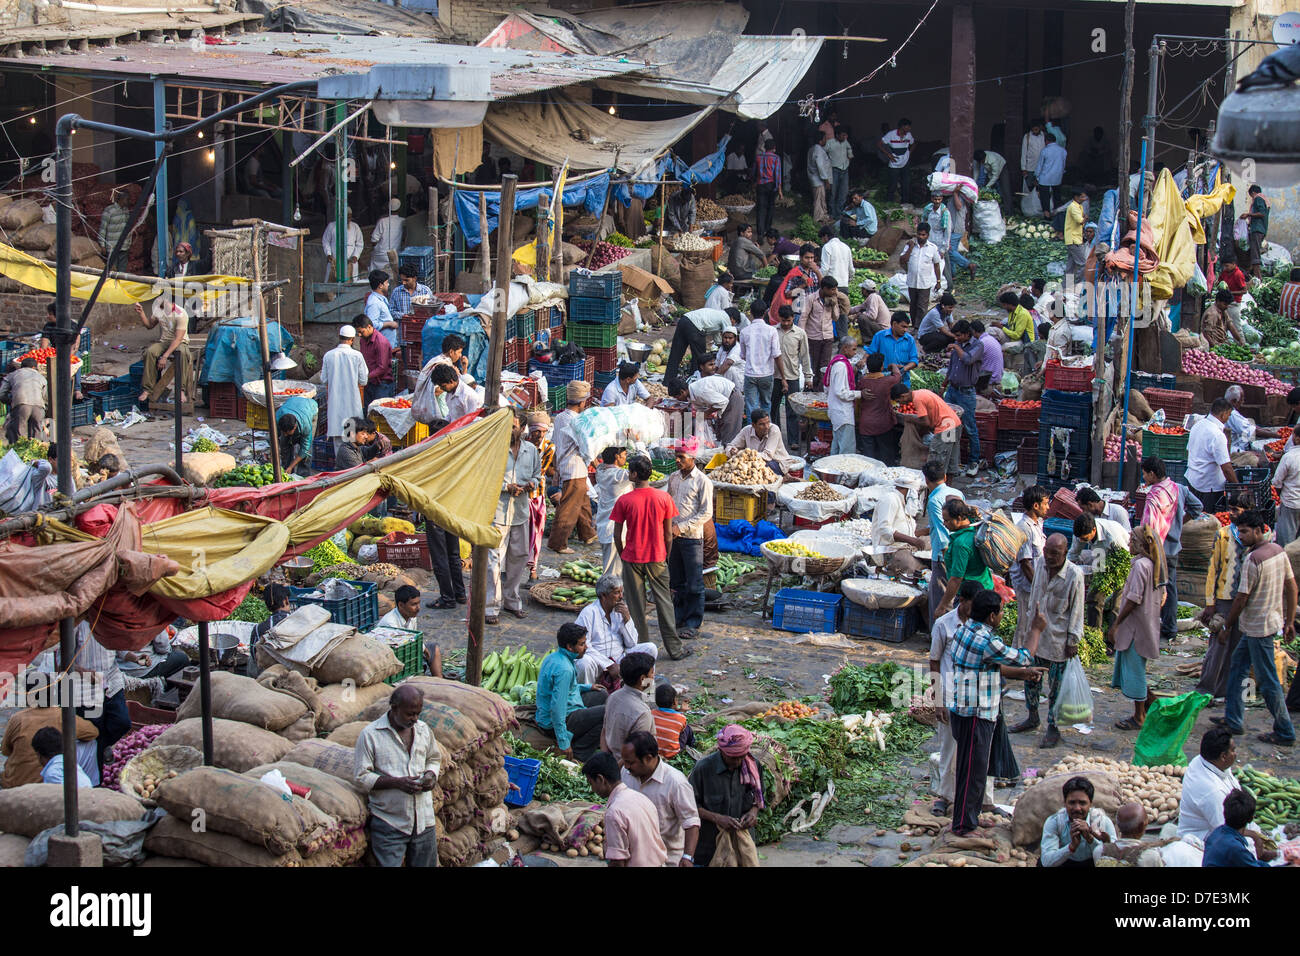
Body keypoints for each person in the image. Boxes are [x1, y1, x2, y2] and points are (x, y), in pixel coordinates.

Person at [948, 590, 1040, 835]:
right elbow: (1023, 657)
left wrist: (1021, 674)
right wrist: (1036, 630)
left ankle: (970, 817)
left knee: (973, 769)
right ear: (991, 616)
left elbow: (989, 666)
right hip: (976, 715)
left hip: (962, 710)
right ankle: (964, 826)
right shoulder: (987, 640)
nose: (1001, 616)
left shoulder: (964, 630)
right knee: (973, 773)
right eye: (1000, 612)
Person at [1214, 509, 1297, 747]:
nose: (1241, 536)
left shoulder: (1253, 559)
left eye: (1245, 531)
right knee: (1238, 668)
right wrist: (1289, 620)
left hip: (1257, 627)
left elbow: (1241, 598)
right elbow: (1291, 587)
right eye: (1238, 531)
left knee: (1268, 679)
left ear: (1260, 531)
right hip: (1265, 624)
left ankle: (1284, 730)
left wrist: (1227, 626)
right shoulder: (1279, 552)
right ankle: (1234, 719)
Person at [354, 684, 440, 867]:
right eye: (410, 714)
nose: (415, 719)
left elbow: (434, 758)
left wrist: (431, 775)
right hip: (390, 822)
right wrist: (396, 783)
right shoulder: (371, 735)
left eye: (418, 713)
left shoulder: (423, 730)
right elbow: (361, 777)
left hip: (424, 820)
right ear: (394, 708)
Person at [612, 454, 688, 662]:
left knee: (636, 607)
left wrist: (622, 553)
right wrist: (666, 553)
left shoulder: (624, 500)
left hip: (632, 557)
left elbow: (617, 535)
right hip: (657, 556)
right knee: (665, 604)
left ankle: (641, 650)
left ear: (635, 475)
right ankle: (675, 649)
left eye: (630, 471)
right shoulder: (663, 498)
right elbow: (668, 534)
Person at [1016, 534, 1085, 747]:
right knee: (1031, 680)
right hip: (1036, 637)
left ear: (1065, 552)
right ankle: (1032, 716)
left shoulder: (1075, 574)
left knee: (1056, 689)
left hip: (1058, 640)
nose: (1050, 557)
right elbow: (1035, 595)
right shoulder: (1040, 565)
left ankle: (1053, 727)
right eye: (1047, 552)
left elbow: (1077, 610)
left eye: (1055, 554)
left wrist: (1073, 639)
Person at [928, 580, 987, 814]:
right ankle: (945, 796)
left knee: (981, 750)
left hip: (975, 695)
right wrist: (938, 700)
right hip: (950, 694)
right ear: (961, 601)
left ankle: (983, 797)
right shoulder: (944, 625)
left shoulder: (981, 625)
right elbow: (934, 661)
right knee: (948, 748)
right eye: (972, 605)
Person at [1141, 455, 1204, 642]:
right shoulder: (1179, 489)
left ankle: (1150, 626)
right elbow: (1198, 507)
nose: (1144, 478)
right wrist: (1179, 523)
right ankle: (1170, 628)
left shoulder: (1154, 495)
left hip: (1156, 549)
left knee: (1153, 588)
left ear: (1152, 474)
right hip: (1173, 549)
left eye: (1145, 474)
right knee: (1170, 588)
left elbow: (1148, 527)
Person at [1109, 525, 1166, 730]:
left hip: (1135, 626)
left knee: (1135, 670)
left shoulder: (1141, 566)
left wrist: (1117, 623)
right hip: (1145, 623)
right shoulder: (1151, 565)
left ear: (1141, 545)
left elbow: (1133, 598)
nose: (1128, 544)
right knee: (1136, 667)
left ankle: (1139, 716)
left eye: (1132, 541)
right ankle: (1152, 703)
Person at [486, 409, 538, 625]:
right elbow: (485, 477)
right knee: (493, 561)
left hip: (520, 512)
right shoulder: (494, 450)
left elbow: (537, 474)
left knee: (518, 558)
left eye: (514, 426)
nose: (510, 430)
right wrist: (506, 487)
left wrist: (531, 484)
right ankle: (491, 606)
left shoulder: (531, 450)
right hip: (497, 511)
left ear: (522, 429)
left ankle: (512, 601)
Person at [0, 676, 98, 788]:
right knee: (91, 743)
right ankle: (93, 784)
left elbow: (5, 751)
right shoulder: (63, 715)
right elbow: (93, 732)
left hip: (14, 781)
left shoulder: (18, 719)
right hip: (40, 781)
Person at [688, 724, 765, 866]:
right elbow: (690, 806)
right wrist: (717, 818)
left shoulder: (753, 766)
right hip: (709, 846)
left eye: (741, 757)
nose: (737, 762)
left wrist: (753, 813)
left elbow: (758, 798)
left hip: (742, 843)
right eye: (732, 758)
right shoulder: (703, 769)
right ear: (721, 751)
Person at [1198, 495, 1251, 700]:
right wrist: (1210, 603)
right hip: (1224, 598)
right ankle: (1206, 689)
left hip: (1244, 601)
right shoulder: (1223, 535)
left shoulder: (1261, 535)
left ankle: (1225, 691)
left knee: (1236, 647)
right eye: (1232, 509)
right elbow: (1213, 569)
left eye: (1237, 510)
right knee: (1218, 644)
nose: (1232, 513)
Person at [621, 731, 700, 867]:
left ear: (648, 758)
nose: (626, 766)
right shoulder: (626, 773)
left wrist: (687, 857)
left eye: (630, 762)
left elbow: (691, 822)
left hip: (666, 859)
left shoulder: (676, 783)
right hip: (633, 857)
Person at [59, 621, 129, 772]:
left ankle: (103, 747)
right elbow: (62, 662)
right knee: (94, 730)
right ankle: (98, 770)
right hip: (84, 686)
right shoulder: (75, 625)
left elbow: (120, 650)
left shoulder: (109, 619)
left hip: (111, 679)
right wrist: (85, 673)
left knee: (122, 722)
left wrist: (135, 658)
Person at [536, 622, 609, 760]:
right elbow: (557, 709)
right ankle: (579, 754)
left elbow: (567, 688)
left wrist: (587, 687)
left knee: (601, 694)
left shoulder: (553, 657)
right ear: (570, 647)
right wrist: (563, 742)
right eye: (582, 644)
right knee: (608, 712)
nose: (586, 647)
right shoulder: (565, 670)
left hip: (568, 707)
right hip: (555, 721)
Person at [583, 750, 667, 867]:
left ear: (601, 779)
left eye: (591, 783)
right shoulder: (642, 799)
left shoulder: (614, 813)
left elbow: (618, 862)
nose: (592, 789)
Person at [574, 575, 659, 684]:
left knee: (650, 648)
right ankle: (588, 696)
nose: (621, 597)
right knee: (583, 663)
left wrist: (627, 619)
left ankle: (646, 692)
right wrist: (608, 664)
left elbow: (631, 643)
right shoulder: (588, 613)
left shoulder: (621, 610)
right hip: (597, 662)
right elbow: (584, 646)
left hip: (620, 659)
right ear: (603, 596)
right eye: (616, 593)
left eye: (621, 592)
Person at [1179, 727, 1255, 849]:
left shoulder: (1205, 761)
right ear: (1223, 756)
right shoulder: (1213, 793)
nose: (1236, 754)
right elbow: (1226, 831)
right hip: (1203, 840)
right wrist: (1255, 837)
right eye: (1233, 750)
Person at [667, 447, 712, 641]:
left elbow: (706, 513)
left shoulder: (703, 481)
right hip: (674, 537)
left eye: (681, 457)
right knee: (676, 581)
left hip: (692, 537)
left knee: (694, 582)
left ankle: (693, 622)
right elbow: (668, 502)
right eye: (676, 457)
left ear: (692, 458)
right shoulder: (673, 478)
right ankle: (679, 616)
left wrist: (682, 527)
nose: (678, 460)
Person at [548, 380, 597, 554]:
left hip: (566, 465)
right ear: (582, 402)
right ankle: (557, 543)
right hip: (574, 468)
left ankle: (588, 533)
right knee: (568, 508)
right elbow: (586, 446)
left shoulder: (560, 417)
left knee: (583, 502)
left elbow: (554, 443)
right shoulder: (579, 422)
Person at [1039, 776, 1117, 867]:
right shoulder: (1055, 822)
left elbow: (1114, 859)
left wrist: (1090, 839)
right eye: (1072, 803)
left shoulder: (1102, 822)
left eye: (1082, 803)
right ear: (1065, 803)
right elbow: (1046, 861)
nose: (1077, 808)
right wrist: (1071, 847)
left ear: (1090, 804)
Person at [891, 381, 963, 478]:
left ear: (903, 396)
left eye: (899, 401)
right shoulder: (921, 392)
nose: (900, 404)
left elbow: (926, 422)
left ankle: (935, 488)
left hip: (945, 428)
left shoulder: (917, 399)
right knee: (949, 458)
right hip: (953, 423)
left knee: (936, 462)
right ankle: (946, 488)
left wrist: (911, 419)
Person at [935, 497, 993, 617]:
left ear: (960, 518)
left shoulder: (961, 544)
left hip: (972, 597)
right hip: (986, 587)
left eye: (947, 521)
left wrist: (942, 606)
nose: (945, 524)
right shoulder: (975, 526)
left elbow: (956, 579)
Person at [922, 461, 965, 620]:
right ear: (945, 476)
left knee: (941, 598)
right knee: (954, 596)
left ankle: (937, 637)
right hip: (958, 549)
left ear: (926, 481)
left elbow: (941, 532)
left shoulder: (933, 501)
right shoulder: (957, 493)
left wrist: (947, 558)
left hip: (944, 555)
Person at [1010, 485, 1050, 649]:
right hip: (1027, 585)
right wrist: (1037, 586)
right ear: (1036, 505)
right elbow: (1025, 563)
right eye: (1046, 503)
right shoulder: (1024, 527)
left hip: (1035, 582)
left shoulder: (1037, 523)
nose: (1048, 507)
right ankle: (1017, 657)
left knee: (1032, 620)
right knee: (1024, 623)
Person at [670, 359, 743, 447]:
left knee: (729, 427)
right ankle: (721, 448)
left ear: (682, 392)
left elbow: (722, 402)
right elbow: (700, 411)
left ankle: (728, 451)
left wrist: (707, 413)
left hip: (732, 397)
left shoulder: (700, 391)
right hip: (724, 398)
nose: (678, 400)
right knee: (720, 427)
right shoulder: (692, 395)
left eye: (677, 397)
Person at [944, 320, 985, 475]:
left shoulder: (977, 346)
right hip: (952, 390)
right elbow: (952, 366)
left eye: (959, 336)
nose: (956, 338)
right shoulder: (957, 345)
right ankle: (950, 459)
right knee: (948, 423)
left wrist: (956, 347)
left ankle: (974, 461)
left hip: (966, 393)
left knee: (969, 427)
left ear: (967, 334)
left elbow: (967, 359)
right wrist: (944, 385)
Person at [133, 299, 192, 406]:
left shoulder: (180, 313)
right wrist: (141, 313)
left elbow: (178, 339)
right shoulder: (158, 310)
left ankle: (181, 390)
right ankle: (148, 389)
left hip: (179, 342)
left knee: (183, 354)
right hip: (164, 341)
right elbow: (149, 325)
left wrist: (165, 356)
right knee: (149, 352)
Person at [321, 325, 368, 454]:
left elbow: (324, 379)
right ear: (352, 340)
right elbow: (363, 380)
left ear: (339, 337)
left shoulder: (329, 356)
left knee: (338, 443)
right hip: (352, 405)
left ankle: (340, 468)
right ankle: (352, 468)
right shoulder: (357, 356)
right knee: (351, 439)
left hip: (335, 406)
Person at [377, 585, 442, 677]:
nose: (418, 608)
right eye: (413, 604)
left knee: (434, 649)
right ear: (401, 605)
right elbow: (397, 651)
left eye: (418, 603)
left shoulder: (411, 616)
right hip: (394, 657)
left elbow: (414, 637)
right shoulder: (390, 623)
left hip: (409, 649)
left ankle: (440, 681)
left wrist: (423, 649)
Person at [600, 651, 656, 758]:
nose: (654, 677)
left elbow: (604, 731)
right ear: (642, 679)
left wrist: (606, 759)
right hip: (628, 765)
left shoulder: (613, 697)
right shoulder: (642, 713)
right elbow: (637, 754)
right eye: (652, 673)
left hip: (613, 757)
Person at [1187, 399, 1238, 514]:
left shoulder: (1197, 425)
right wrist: (1237, 487)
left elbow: (1189, 451)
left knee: (1195, 517)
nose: (1228, 418)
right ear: (1223, 414)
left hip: (1193, 480)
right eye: (1229, 415)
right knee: (1207, 521)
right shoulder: (1217, 434)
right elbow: (1227, 468)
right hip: (1208, 487)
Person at [1204, 790, 1277, 867]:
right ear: (1251, 819)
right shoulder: (1235, 848)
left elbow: (1250, 862)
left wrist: (1254, 836)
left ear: (1224, 812)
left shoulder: (1216, 833)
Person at [772, 305, 811, 447]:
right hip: (774, 376)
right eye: (783, 321)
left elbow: (805, 356)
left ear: (793, 318)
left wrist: (808, 376)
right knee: (773, 409)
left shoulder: (800, 334)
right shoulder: (773, 332)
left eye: (788, 321)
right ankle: (775, 439)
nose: (786, 324)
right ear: (779, 318)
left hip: (793, 376)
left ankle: (793, 440)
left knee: (792, 410)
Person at [855, 353, 901, 465]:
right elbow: (898, 375)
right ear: (881, 367)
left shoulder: (862, 382)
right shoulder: (887, 381)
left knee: (868, 459)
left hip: (866, 424)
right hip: (883, 424)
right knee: (886, 456)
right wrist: (893, 366)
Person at [802, 276, 849, 385]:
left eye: (835, 289)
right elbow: (804, 317)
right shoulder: (811, 299)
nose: (834, 292)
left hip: (828, 336)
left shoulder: (833, 299)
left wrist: (834, 305)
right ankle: (812, 386)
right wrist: (802, 335)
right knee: (814, 364)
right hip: (813, 337)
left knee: (825, 365)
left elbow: (836, 318)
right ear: (824, 288)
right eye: (832, 289)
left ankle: (822, 387)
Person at [738, 300, 780, 419]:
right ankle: (767, 432)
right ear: (766, 312)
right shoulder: (772, 330)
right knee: (766, 404)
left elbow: (743, 355)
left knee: (752, 406)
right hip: (766, 373)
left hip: (750, 373)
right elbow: (776, 354)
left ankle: (752, 435)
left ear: (751, 313)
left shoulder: (745, 331)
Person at [664, 306, 731, 381]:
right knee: (699, 358)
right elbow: (728, 334)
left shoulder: (716, 315)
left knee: (675, 354)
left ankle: (667, 381)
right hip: (695, 326)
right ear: (733, 319)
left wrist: (720, 348)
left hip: (684, 319)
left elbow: (717, 338)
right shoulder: (726, 317)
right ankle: (694, 381)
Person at [594, 446, 632, 576]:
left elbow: (599, 464)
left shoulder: (601, 471)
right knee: (612, 571)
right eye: (624, 455)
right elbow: (643, 467)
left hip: (605, 527)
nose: (626, 457)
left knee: (611, 567)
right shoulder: (618, 476)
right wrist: (639, 444)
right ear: (617, 457)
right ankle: (607, 595)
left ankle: (611, 593)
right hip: (614, 530)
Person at [870, 477, 924, 563]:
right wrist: (912, 540)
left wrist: (927, 531)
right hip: (889, 550)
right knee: (911, 563)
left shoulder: (904, 502)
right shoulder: (890, 499)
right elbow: (884, 529)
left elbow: (907, 531)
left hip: (905, 547)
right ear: (906, 489)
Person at [728, 409, 798, 475]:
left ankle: (784, 477)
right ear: (753, 425)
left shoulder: (774, 430)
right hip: (755, 462)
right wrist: (732, 450)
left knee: (759, 466)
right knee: (733, 464)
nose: (766, 426)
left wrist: (745, 454)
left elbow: (767, 456)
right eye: (762, 424)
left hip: (777, 462)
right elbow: (730, 446)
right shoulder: (746, 430)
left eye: (768, 422)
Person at [900, 223, 944, 327]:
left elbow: (937, 265)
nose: (921, 237)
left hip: (925, 283)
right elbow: (902, 260)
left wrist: (938, 281)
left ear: (928, 235)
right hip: (912, 282)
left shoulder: (932, 248)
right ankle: (914, 325)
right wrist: (910, 248)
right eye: (919, 234)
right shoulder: (909, 245)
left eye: (923, 235)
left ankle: (919, 327)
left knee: (922, 307)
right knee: (913, 305)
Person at [247, 584, 294, 677]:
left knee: (250, 660)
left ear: (267, 605)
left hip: (266, 675)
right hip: (292, 672)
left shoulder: (258, 628)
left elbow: (253, 653)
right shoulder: (297, 622)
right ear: (286, 600)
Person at [0, 357, 46, 443]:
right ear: (34, 367)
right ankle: (35, 454)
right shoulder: (41, 377)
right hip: (39, 406)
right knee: (36, 439)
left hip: (21, 405)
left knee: (18, 436)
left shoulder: (13, 375)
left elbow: (1, 393)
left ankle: (18, 454)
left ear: (21, 366)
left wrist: (10, 401)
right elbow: (44, 396)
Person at [868, 312, 920, 387]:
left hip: (903, 381)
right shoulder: (879, 336)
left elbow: (914, 360)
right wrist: (863, 360)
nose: (905, 330)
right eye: (903, 327)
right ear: (894, 324)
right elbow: (871, 353)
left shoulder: (909, 340)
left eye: (907, 327)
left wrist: (903, 369)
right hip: (883, 378)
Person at [353, 315, 395, 407]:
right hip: (370, 382)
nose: (359, 335)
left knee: (380, 413)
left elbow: (382, 367)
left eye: (361, 332)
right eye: (358, 333)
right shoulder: (363, 340)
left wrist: (365, 376)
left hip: (382, 384)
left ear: (369, 327)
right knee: (368, 412)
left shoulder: (380, 342)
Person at [275, 393, 318, 476]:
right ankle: (286, 470)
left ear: (294, 427)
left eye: (287, 432)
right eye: (283, 432)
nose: (286, 434)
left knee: (307, 452)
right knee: (284, 443)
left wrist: (291, 466)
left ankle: (302, 474)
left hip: (310, 407)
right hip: (292, 404)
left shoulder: (306, 425)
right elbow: (273, 439)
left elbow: (304, 449)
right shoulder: (277, 418)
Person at [652, 683, 696, 759]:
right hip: (672, 754)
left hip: (653, 752)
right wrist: (681, 712)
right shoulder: (681, 718)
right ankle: (692, 745)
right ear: (675, 702)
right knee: (687, 728)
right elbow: (679, 726)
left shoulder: (651, 713)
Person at [322, 208, 364, 281]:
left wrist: (355, 255)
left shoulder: (355, 227)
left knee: (352, 285)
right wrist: (328, 254)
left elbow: (359, 244)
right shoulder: (331, 226)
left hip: (351, 262)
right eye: (346, 217)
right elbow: (325, 241)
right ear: (340, 217)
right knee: (332, 286)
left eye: (350, 217)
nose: (348, 220)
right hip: (334, 262)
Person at [878, 118, 914, 203]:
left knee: (906, 183)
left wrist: (909, 153)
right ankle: (889, 203)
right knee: (892, 184)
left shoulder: (908, 135)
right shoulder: (891, 134)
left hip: (905, 161)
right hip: (894, 161)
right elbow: (879, 144)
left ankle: (905, 203)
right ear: (902, 126)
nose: (909, 129)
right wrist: (889, 155)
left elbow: (914, 143)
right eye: (908, 127)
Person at [753, 138, 783, 239]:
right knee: (770, 208)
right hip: (771, 185)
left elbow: (754, 173)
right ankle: (767, 229)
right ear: (774, 148)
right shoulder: (776, 158)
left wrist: (753, 184)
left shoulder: (758, 157)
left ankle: (760, 232)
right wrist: (779, 190)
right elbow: (777, 175)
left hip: (760, 185)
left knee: (761, 209)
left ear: (765, 147)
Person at [1272, 441, 1300, 547]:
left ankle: (1288, 561)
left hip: (1291, 503)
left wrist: (1281, 495)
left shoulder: (1289, 457)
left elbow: (1277, 482)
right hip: (1291, 501)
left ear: (1296, 438)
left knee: (1287, 540)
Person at [368, 198, 405, 274]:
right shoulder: (403, 221)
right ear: (400, 208)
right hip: (395, 254)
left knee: (375, 274)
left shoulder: (382, 221)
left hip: (380, 255)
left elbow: (374, 240)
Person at [1240, 184, 1269, 279]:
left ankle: (1258, 278)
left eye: (1251, 196)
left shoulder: (1258, 199)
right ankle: (1251, 274)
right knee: (1253, 251)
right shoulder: (1263, 199)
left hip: (1257, 229)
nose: (1251, 198)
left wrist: (1248, 214)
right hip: (1259, 229)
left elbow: (1262, 214)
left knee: (1255, 253)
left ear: (1253, 193)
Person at [364, 270, 399, 346]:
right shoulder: (374, 303)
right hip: (381, 344)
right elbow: (371, 325)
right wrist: (390, 324)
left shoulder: (382, 298)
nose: (388, 285)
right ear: (380, 285)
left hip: (387, 343)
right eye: (386, 282)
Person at [97, 188, 130, 270]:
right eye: (127, 199)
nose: (128, 201)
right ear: (121, 199)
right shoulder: (109, 210)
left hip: (124, 246)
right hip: (112, 246)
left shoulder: (126, 210)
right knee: (112, 270)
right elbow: (103, 229)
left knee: (122, 271)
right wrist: (102, 245)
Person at [1033, 133, 1067, 214]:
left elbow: (1040, 165)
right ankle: (1057, 213)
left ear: (1046, 141)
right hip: (1057, 178)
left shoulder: (1045, 151)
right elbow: (1063, 165)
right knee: (1057, 198)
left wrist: (1036, 176)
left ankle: (1047, 215)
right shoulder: (1063, 151)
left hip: (1045, 178)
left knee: (1045, 198)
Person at [849, 277, 891, 342]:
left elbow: (872, 316)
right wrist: (847, 310)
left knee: (861, 318)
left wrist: (859, 314)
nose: (861, 291)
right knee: (862, 314)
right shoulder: (872, 297)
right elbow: (859, 307)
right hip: (879, 327)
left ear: (865, 290)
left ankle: (869, 340)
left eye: (862, 289)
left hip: (882, 329)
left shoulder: (873, 297)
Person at [826, 125, 853, 217]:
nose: (845, 137)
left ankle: (839, 212)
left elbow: (850, 153)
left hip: (845, 170)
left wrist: (849, 160)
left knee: (843, 192)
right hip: (834, 170)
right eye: (843, 135)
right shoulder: (829, 143)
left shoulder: (846, 142)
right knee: (833, 193)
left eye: (846, 135)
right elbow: (823, 154)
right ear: (837, 135)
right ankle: (832, 213)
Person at [947, 191, 975, 280]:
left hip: (956, 229)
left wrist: (955, 193)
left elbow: (959, 207)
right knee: (952, 251)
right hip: (953, 229)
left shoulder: (959, 197)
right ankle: (952, 274)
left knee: (949, 250)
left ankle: (968, 264)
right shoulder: (951, 197)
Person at [1064, 187, 1089, 286]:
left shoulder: (1079, 206)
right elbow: (1080, 221)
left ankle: (1066, 286)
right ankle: (1079, 285)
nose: (1085, 198)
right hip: (1074, 239)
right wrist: (1085, 218)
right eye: (1082, 197)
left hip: (1074, 238)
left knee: (1071, 266)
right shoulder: (1073, 207)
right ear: (1076, 197)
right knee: (1083, 264)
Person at [807, 129, 832, 223]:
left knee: (820, 198)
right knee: (818, 200)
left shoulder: (812, 149)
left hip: (815, 178)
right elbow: (820, 166)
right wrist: (826, 180)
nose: (826, 140)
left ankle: (822, 216)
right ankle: (818, 219)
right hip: (818, 180)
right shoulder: (818, 150)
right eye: (825, 138)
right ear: (821, 140)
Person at [923, 193, 952, 270]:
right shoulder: (928, 210)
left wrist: (943, 249)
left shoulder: (945, 213)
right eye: (935, 199)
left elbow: (947, 232)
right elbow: (924, 222)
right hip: (929, 241)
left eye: (939, 199)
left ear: (942, 199)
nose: (937, 201)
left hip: (940, 243)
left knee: (942, 267)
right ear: (932, 199)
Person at [1020, 121, 1046, 199]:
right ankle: (1029, 206)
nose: (1035, 130)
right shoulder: (1027, 136)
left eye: (1037, 128)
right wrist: (1023, 168)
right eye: (1034, 129)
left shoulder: (1044, 136)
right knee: (1030, 188)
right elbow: (1024, 152)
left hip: (1042, 167)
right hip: (1030, 167)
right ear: (1031, 129)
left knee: (1041, 187)